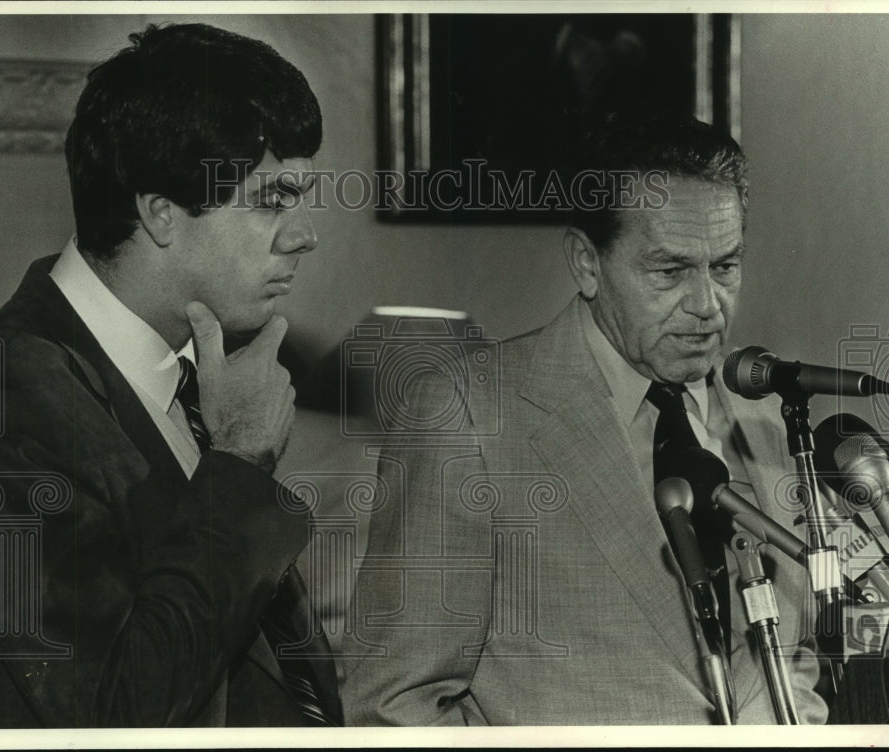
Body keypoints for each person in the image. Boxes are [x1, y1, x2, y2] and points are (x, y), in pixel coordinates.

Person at [340, 113, 829, 725]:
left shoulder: (762, 412)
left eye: (725, 267)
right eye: (670, 271)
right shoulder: (465, 414)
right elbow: (391, 707)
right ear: (586, 263)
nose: (707, 306)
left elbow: (790, 656)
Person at [0, 23, 341, 727]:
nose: (304, 234)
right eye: (272, 200)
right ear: (159, 212)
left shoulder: (184, 366)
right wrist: (241, 463)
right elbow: (114, 714)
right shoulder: (1, 399)